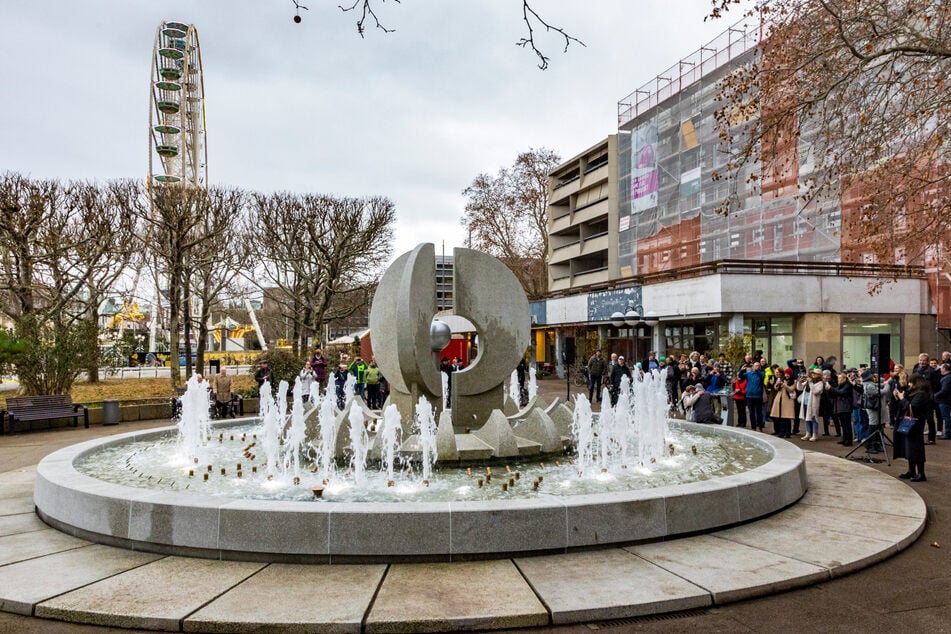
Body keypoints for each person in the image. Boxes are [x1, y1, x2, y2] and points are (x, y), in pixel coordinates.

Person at [896, 375, 932, 482]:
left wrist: (902, 399)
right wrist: (900, 397)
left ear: (916, 383)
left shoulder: (921, 394)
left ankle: (921, 473)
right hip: (912, 424)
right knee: (910, 448)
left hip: (916, 424)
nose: (909, 384)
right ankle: (911, 471)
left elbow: (912, 407)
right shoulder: (915, 393)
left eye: (911, 382)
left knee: (916, 448)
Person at [911, 353, 940, 443]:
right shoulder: (916, 369)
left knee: (930, 418)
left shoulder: (931, 371)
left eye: (924, 360)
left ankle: (931, 438)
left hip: (928, 398)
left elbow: (936, 384)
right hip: (917, 396)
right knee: (918, 417)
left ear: (927, 361)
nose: (922, 362)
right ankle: (917, 436)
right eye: (920, 360)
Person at [769, 368, 797, 438]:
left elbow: (791, 389)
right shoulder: (781, 379)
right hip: (779, 399)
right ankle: (781, 432)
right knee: (780, 417)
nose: (787, 375)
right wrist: (777, 384)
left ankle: (787, 433)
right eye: (786, 374)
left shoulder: (793, 381)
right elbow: (776, 388)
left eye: (788, 374)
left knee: (786, 417)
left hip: (787, 400)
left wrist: (784, 385)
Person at [800, 369, 825, 441]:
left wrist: (810, 383)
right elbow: (800, 387)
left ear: (819, 375)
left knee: (814, 419)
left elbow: (815, 391)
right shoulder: (808, 382)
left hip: (813, 404)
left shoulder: (820, 383)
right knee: (807, 419)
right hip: (805, 402)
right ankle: (808, 433)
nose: (813, 374)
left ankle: (814, 434)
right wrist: (800, 380)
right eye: (812, 373)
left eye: (815, 373)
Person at [741, 362, 766, 431]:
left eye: (758, 366)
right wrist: (742, 370)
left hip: (758, 396)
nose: (756, 367)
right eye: (755, 366)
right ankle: (753, 426)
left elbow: (761, 377)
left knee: (759, 412)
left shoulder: (762, 373)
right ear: (753, 367)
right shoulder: (749, 374)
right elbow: (741, 376)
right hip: (749, 396)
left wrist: (757, 370)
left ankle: (760, 425)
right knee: (751, 412)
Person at [935, 363, 951, 442]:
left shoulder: (947, 378)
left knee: (946, 417)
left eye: (941, 368)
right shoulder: (947, 377)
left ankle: (948, 434)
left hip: (945, 401)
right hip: (946, 400)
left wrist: (935, 395)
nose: (940, 369)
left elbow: (945, 390)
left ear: (944, 369)